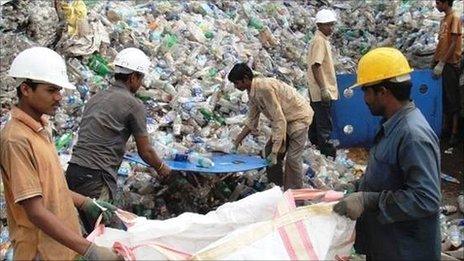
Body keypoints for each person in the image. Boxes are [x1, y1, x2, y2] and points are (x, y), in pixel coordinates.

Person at [0, 47, 122, 260]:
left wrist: (84, 202)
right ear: (26, 89)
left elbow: (50, 186)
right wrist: (89, 250)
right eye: (51, 90)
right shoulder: (16, 140)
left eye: (59, 90)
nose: (58, 97)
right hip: (41, 252)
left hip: (61, 249)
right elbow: (35, 211)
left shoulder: (40, 129)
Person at [333, 47, 441, 260]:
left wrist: (367, 200)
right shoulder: (393, 126)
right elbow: (389, 174)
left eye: (366, 90)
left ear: (383, 91)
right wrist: (356, 187)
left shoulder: (412, 135)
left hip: (406, 251)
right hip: (387, 245)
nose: (364, 98)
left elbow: (425, 199)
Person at [66, 48, 171, 232]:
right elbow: (145, 151)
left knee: (80, 231)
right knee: (107, 234)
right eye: (141, 79)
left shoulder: (96, 98)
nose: (141, 84)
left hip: (73, 172)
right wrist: (163, 169)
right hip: (97, 178)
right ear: (133, 78)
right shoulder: (133, 104)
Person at [229, 63, 314, 190]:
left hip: (298, 118)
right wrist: (236, 142)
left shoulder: (264, 89)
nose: (236, 87)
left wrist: (276, 151)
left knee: (292, 159)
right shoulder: (251, 92)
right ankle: (276, 187)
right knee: (268, 151)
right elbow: (251, 120)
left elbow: (279, 120)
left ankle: (294, 194)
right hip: (285, 120)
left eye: (237, 83)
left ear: (246, 78)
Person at [306, 9, 339, 158]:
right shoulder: (319, 41)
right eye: (327, 25)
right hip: (322, 91)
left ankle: (314, 152)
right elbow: (316, 65)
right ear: (319, 25)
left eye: (332, 25)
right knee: (324, 124)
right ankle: (327, 155)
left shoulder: (321, 40)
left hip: (318, 90)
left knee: (315, 123)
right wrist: (324, 89)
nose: (330, 28)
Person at [432, 0, 462, 146]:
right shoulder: (444, 19)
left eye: (438, 2)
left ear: (445, 3)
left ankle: (455, 133)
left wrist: (443, 62)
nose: (436, 5)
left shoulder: (455, 17)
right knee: (444, 96)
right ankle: (445, 128)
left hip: (450, 64)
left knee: (452, 98)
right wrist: (435, 59)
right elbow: (442, 42)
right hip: (441, 62)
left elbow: (454, 43)